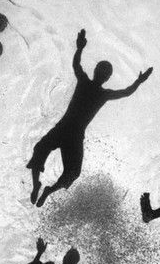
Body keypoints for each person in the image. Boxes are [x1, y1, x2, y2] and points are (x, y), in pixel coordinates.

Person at [28, 29, 153, 207]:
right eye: (100, 69)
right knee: (40, 149)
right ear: (96, 70)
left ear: (107, 77)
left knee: (72, 172)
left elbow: (126, 92)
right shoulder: (87, 83)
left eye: (104, 72)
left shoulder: (103, 93)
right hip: (65, 129)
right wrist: (79, 48)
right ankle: (36, 185)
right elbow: (76, 65)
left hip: (73, 135)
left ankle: (48, 190)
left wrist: (139, 82)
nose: (101, 73)